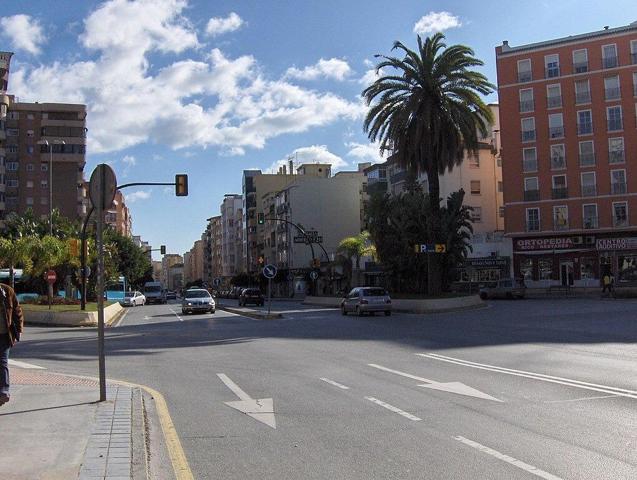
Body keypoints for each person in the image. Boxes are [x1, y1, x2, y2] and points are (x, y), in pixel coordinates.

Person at [0, 283, 24, 406]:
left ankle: (4, 391)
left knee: (3, 362)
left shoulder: (7, 291)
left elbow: (17, 310)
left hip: (4, 335)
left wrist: (19, 330)